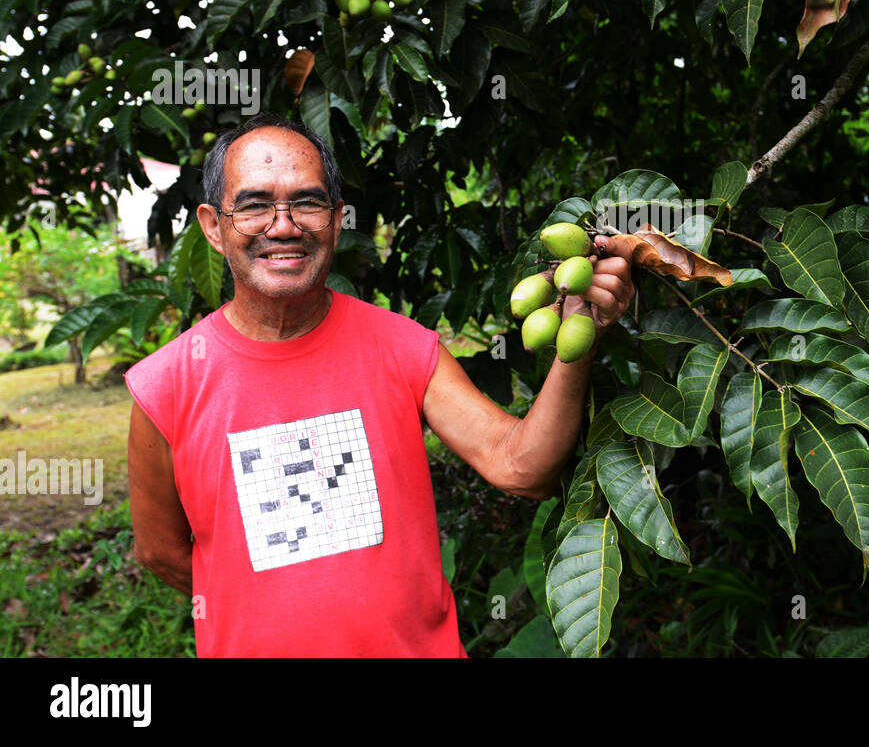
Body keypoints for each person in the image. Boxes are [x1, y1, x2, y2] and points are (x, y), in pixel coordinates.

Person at [125, 112, 634, 657]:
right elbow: (162, 552)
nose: (283, 225)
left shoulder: (403, 347)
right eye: (253, 205)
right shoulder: (164, 386)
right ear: (212, 226)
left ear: (337, 218)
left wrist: (580, 336)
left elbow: (521, 467)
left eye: (308, 202)